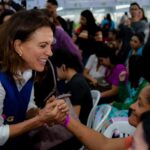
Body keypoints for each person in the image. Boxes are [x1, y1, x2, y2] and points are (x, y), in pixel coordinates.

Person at [0, 9, 68, 149]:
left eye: (51, 45)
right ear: (18, 46)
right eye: (43, 45)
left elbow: (27, 105)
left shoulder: (29, 70)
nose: (50, 52)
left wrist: (41, 112)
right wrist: (39, 120)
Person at [64, 84, 150, 150]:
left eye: (140, 104)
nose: (132, 106)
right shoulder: (138, 138)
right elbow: (105, 145)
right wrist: (65, 119)